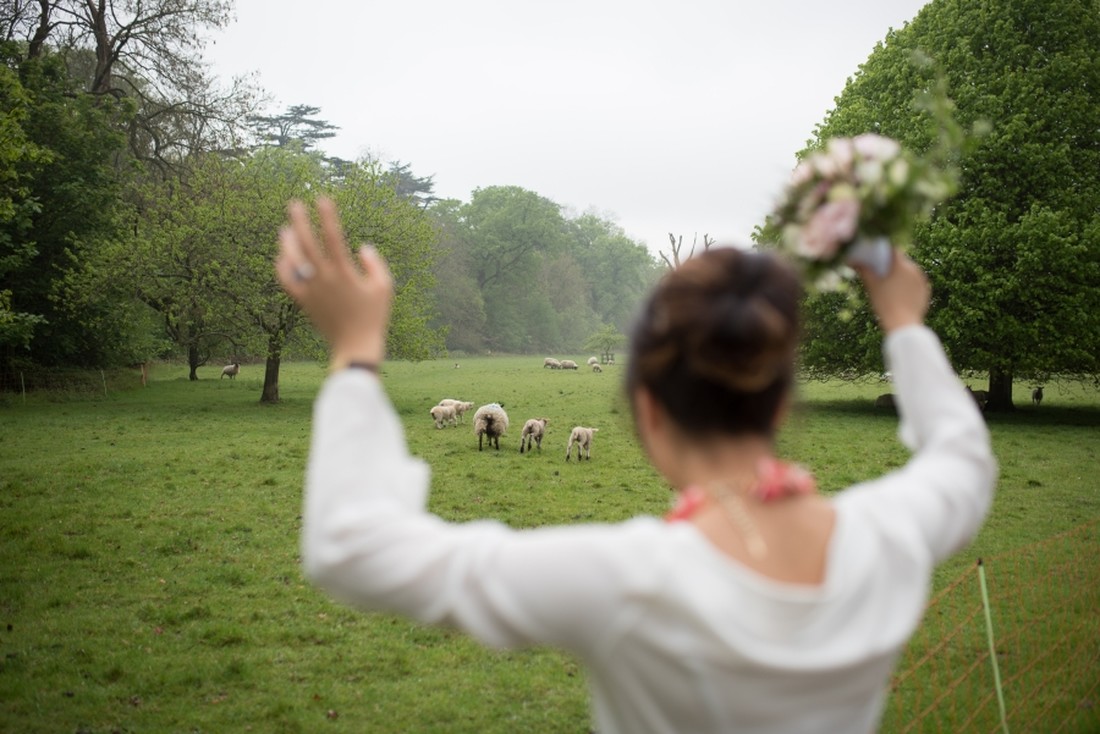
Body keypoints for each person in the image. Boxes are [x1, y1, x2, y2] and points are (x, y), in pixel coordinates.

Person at [275, 197, 997, 734]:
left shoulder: (633, 582)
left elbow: (351, 545)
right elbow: (962, 458)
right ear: (780, 407)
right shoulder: (887, 540)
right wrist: (903, 321)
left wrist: (356, 349)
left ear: (647, 412)